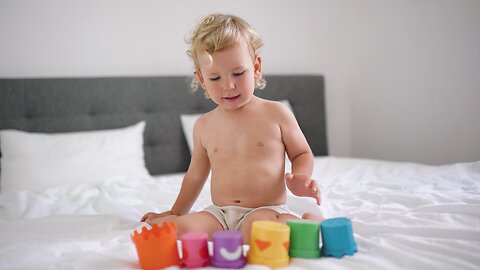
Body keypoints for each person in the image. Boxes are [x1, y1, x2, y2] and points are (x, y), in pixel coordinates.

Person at [141, 13, 322, 243]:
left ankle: (306, 223)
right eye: (215, 78)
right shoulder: (204, 125)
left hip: (263, 210)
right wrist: (175, 212)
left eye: (238, 73)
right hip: (219, 214)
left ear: (256, 67)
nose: (228, 85)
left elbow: (301, 153)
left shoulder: (276, 113)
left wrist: (301, 177)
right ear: (202, 78)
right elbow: (195, 176)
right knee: (170, 229)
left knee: (256, 233)